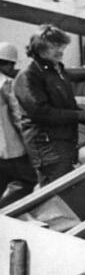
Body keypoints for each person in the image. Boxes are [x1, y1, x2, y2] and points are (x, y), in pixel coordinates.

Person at [13, 25, 85, 184]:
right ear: (39, 47)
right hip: (47, 145)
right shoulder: (29, 75)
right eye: (54, 46)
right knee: (59, 193)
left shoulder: (56, 71)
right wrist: (83, 115)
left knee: (68, 190)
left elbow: (68, 107)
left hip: (64, 142)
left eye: (62, 46)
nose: (60, 50)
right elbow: (41, 113)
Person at [0, 42, 38, 206]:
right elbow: (18, 116)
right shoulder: (7, 84)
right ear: (8, 63)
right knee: (28, 180)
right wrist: (32, 144)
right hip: (12, 148)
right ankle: (4, 213)